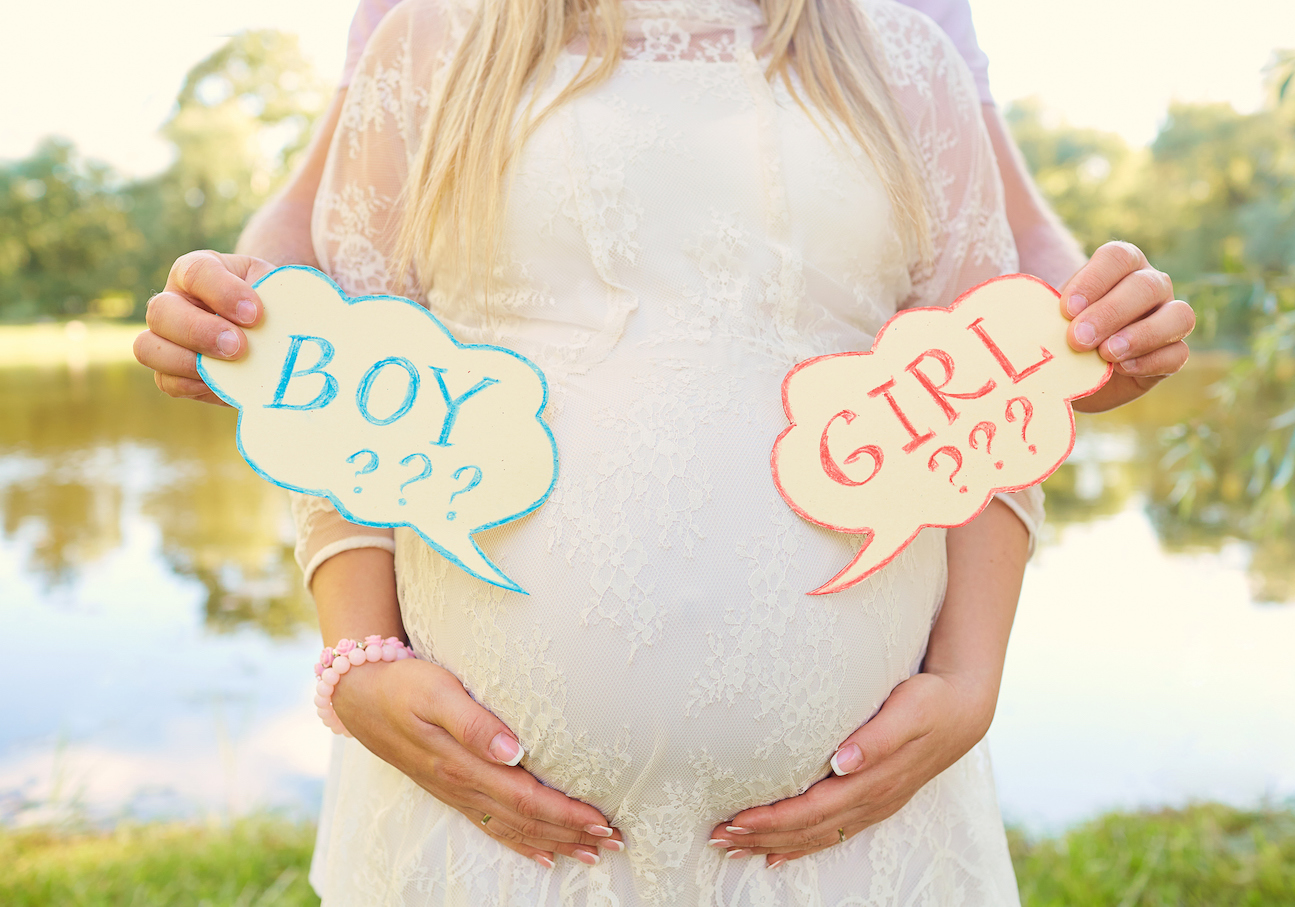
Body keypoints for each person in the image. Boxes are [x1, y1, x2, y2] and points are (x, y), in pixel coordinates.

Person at [134, 0, 1195, 902]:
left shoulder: (902, 53)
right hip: (485, 836)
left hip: (850, 836)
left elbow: (982, 390)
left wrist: (969, 679)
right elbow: (347, 361)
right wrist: (356, 657)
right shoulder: (432, 39)